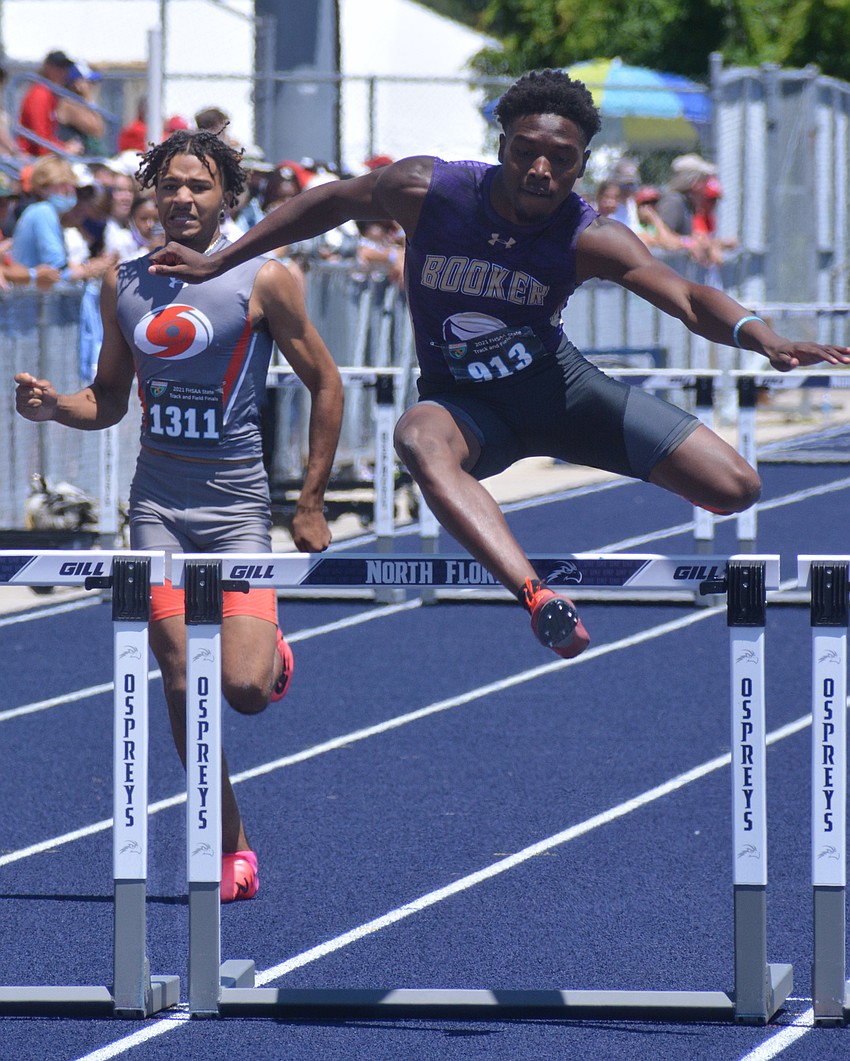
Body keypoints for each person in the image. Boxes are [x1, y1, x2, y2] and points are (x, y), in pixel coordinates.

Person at [146, 69, 850, 662]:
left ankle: (551, 566)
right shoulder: (430, 191)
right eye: (526, 151)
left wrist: (763, 336)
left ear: (582, 166)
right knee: (418, 435)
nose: (541, 169)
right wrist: (219, 259)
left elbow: (689, 297)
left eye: (561, 158)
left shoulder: (588, 235)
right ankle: (537, 595)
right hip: (468, 411)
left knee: (736, 487)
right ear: (502, 146)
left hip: (560, 394)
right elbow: (324, 205)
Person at [15, 129, 344, 902]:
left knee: (242, 689)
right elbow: (109, 398)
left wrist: (311, 500)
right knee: (173, 671)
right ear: (149, 197)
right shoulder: (122, 282)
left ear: (226, 196)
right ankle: (228, 841)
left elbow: (327, 384)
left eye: (199, 186)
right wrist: (54, 406)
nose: (184, 199)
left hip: (235, 509)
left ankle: (269, 658)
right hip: (158, 504)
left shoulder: (268, 279)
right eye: (170, 186)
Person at [17, 50, 82, 156]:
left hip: (41, 156)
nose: (62, 72)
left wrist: (64, 146)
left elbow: (47, 135)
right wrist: (62, 150)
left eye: (65, 68)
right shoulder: (40, 93)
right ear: (47, 68)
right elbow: (40, 136)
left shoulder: (49, 93)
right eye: (58, 67)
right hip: (31, 158)